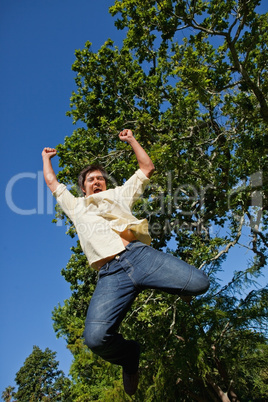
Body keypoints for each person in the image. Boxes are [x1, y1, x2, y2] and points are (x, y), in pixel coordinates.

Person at [42, 129, 209, 396]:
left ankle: (176, 286)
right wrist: (45, 159)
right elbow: (52, 183)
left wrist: (131, 140)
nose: (96, 181)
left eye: (100, 178)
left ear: (105, 184)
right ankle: (130, 357)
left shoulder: (118, 195)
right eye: (90, 179)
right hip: (111, 275)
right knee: (95, 340)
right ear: (83, 187)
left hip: (139, 257)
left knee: (200, 284)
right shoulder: (75, 207)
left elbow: (147, 167)